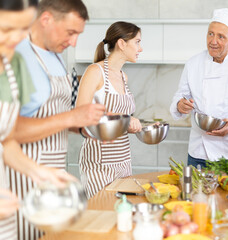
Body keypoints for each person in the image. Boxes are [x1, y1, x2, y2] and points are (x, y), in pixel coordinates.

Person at [9, 0, 105, 239]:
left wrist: (83, 125)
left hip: (52, 173)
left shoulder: (57, 57)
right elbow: (11, 130)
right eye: (71, 33)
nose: (73, 42)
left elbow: (53, 117)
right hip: (22, 180)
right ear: (46, 19)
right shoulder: (17, 57)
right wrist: (72, 116)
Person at [0, 0, 75, 239]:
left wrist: (38, 172)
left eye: (24, 29)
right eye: (6, 29)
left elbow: (6, 140)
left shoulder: (11, 66)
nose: (17, 39)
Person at [170, 8, 228, 168]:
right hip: (199, 152)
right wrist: (180, 105)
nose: (213, 41)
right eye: (210, 33)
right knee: (196, 193)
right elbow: (180, 96)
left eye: (221, 36)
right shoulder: (193, 64)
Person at [76, 21, 143, 198]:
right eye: (137, 42)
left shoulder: (123, 77)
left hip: (123, 160)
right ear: (122, 44)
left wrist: (131, 124)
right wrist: (125, 120)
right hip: (99, 163)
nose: (140, 48)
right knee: (102, 213)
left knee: (122, 214)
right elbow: (80, 115)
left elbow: (120, 119)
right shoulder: (95, 71)